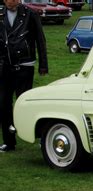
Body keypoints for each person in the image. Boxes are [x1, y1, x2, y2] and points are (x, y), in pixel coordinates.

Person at [0, 0, 48, 152]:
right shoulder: (0, 15)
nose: (10, 2)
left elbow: (40, 39)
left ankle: (40, 136)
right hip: (5, 66)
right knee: (3, 104)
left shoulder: (30, 14)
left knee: (25, 104)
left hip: (24, 66)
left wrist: (43, 64)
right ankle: (9, 141)